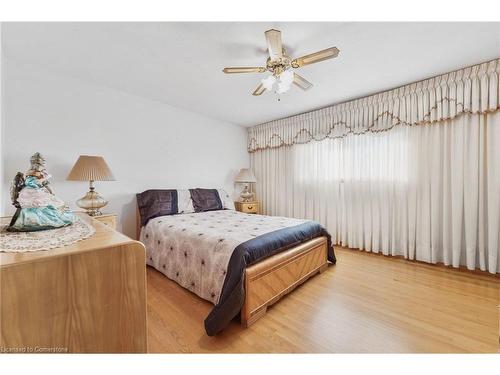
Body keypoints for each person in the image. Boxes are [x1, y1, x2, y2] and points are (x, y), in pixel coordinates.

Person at [8, 153, 74, 232]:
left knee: (53, 202)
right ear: (35, 164)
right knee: (36, 205)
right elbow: (31, 183)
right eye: (39, 164)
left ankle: (49, 220)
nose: (41, 165)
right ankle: (33, 222)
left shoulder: (41, 172)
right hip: (31, 192)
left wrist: (50, 190)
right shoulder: (31, 172)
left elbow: (45, 183)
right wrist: (42, 180)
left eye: (41, 163)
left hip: (39, 191)